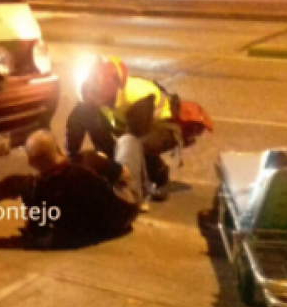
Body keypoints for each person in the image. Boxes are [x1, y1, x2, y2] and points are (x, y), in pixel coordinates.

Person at [66, 55, 179, 202]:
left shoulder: (138, 98)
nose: (93, 100)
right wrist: (69, 159)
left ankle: (158, 177)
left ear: (107, 92)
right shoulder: (97, 94)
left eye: (96, 96)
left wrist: (123, 174)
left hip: (161, 128)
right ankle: (110, 173)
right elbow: (77, 121)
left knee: (135, 146)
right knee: (91, 119)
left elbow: (132, 142)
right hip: (124, 124)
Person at [13, 130, 142, 249]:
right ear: (59, 150)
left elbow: (39, 234)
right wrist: (103, 163)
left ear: (31, 162)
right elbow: (126, 175)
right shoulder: (87, 161)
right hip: (121, 218)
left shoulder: (35, 189)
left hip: (89, 231)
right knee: (128, 140)